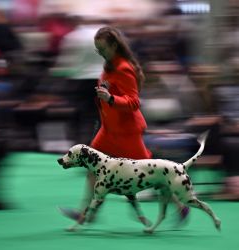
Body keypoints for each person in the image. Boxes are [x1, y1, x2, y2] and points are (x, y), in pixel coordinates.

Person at [59, 26, 189, 225]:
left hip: (126, 132)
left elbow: (134, 102)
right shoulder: (109, 65)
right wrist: (105, 93)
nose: (99, 53)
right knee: (93, 170)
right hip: (109, 130)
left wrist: (111, 98)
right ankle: (86, 213)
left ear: (113, 45)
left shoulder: (124, 68)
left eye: (102, 48)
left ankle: (180, 207)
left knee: (153, 175)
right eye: (97, 49)